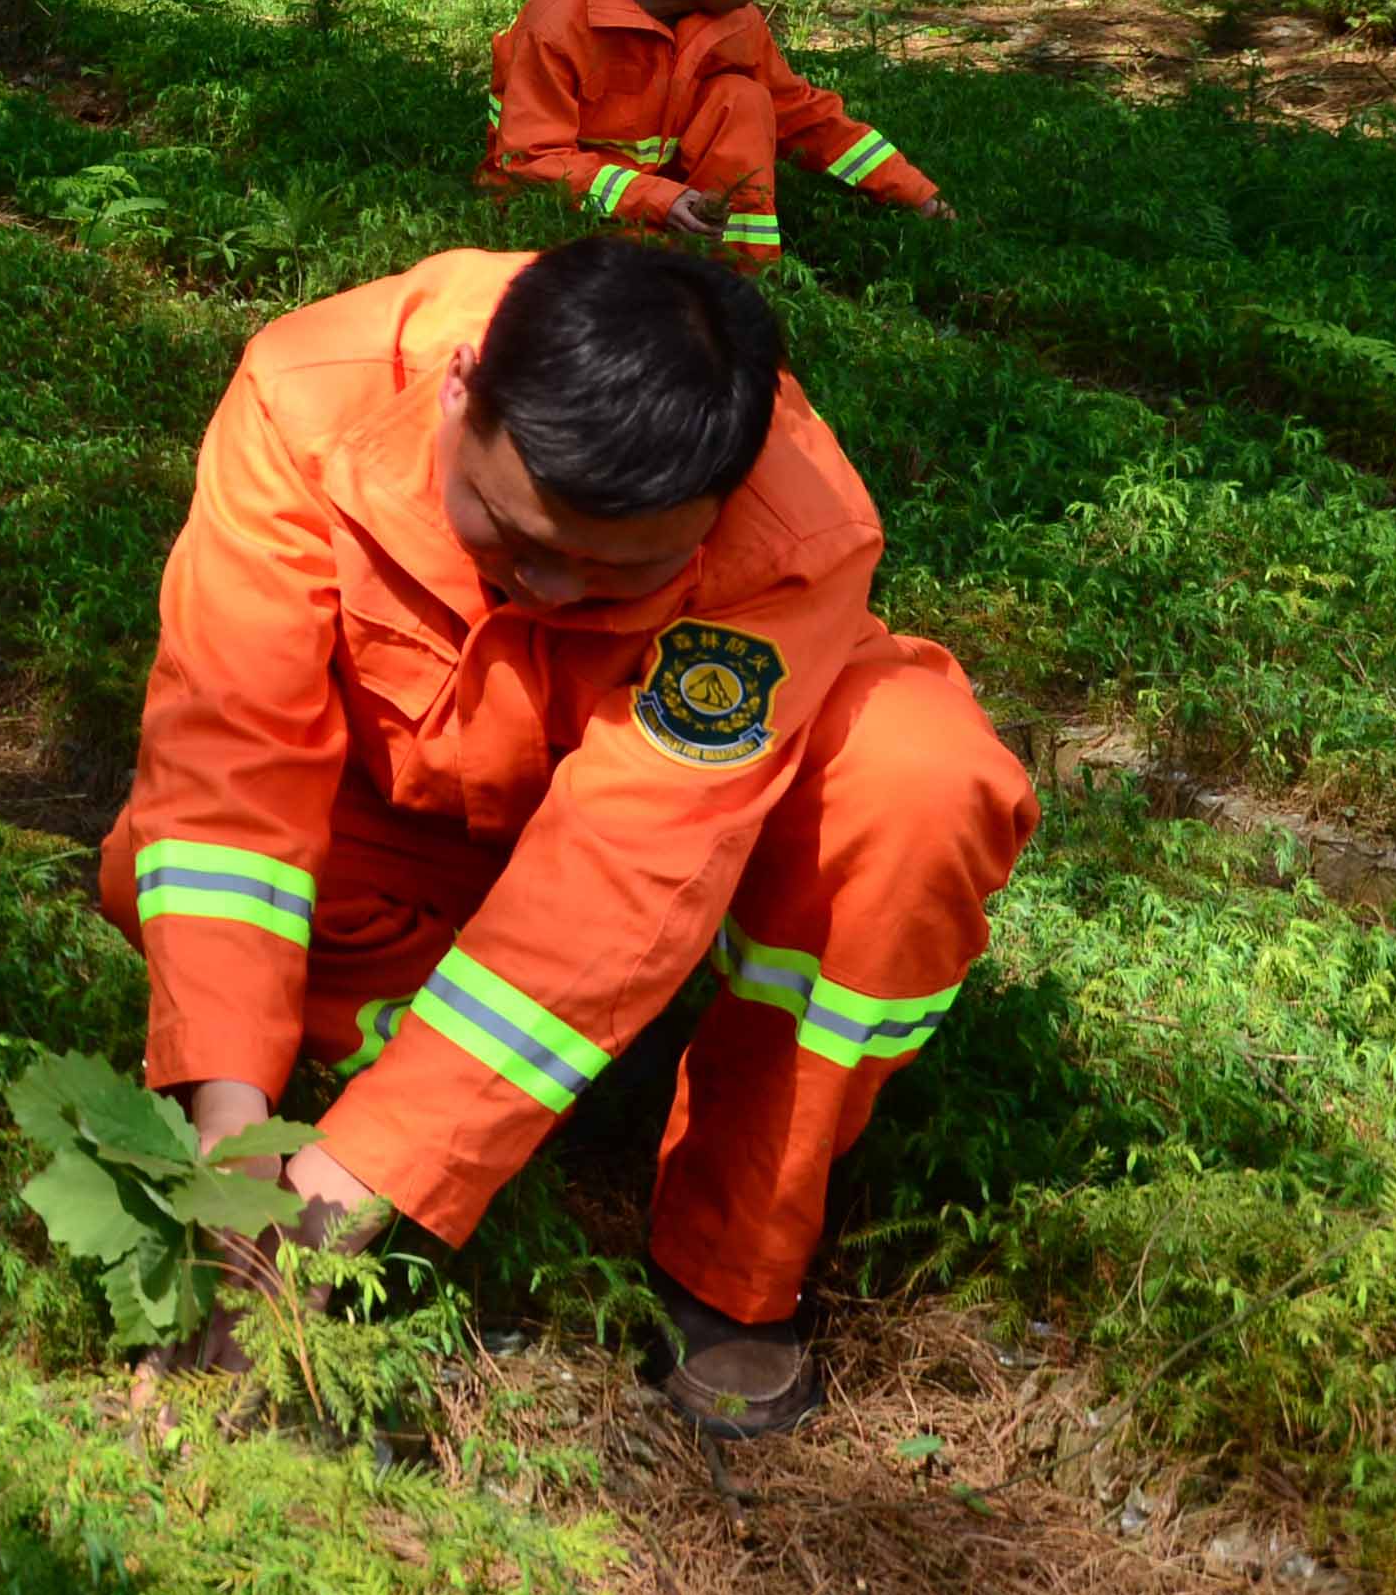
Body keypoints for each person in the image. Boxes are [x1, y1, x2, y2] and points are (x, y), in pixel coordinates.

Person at [100, 234, 1032, 1434]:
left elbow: (623, 874)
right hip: (405, 837)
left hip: (675, 845)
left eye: (611, 577)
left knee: (916, 776)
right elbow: (231, 767)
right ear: (459, 385)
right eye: (507, 532)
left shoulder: (791, 533)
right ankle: (530, 1086)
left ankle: (732, 1262)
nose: (544, 591)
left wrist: (329, 1207)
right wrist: (230, 1137)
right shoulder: (304, 394)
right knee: (163, 876)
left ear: (711, 513)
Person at [485, 0, 949, 269]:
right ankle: (692, 284)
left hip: (669, 210)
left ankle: (742, 276)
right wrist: (660, 200)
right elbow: (532, 161)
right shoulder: (558, 26)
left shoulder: (734, 22)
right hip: (564, 216)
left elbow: (805, 115)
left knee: (743, 97)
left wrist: (916, 194)